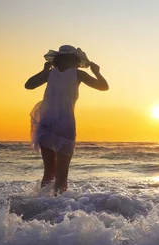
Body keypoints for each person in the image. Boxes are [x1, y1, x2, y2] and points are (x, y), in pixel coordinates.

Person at [25, 45, 108, 194]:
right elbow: (104, 87)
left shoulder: (50, 74)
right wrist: (97, 72)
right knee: (62, 176)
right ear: (75, 60)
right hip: (65, 125)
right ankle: (59, 207)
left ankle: (42, 204)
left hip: (46, 123)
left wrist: (44, 71)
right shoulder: (78, 74)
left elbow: (29, 85)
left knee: (49, 173)